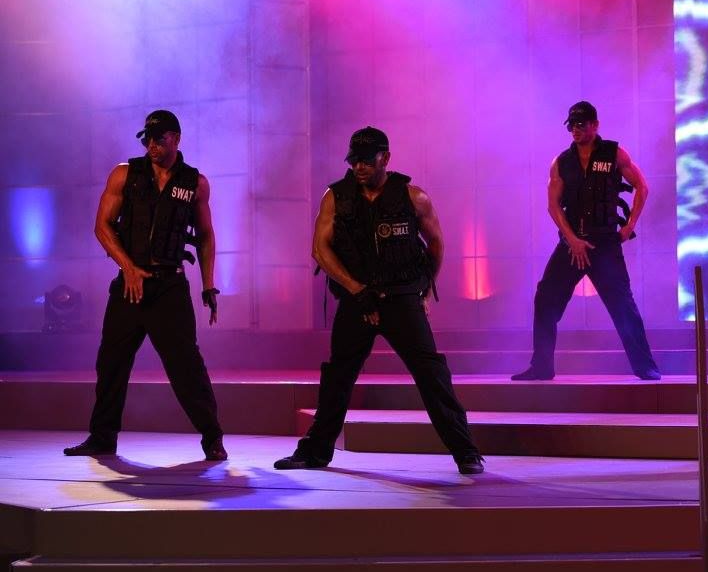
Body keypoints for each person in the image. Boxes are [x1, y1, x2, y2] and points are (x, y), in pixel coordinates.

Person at [274, 127, 483, 474]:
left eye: (366, 161)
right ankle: (314, 452)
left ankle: (466, 452)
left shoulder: (413, 197)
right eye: (353, 161)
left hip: (401, 300)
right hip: (357, 301)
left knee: (432, 374)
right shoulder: (335, 196)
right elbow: (319, 250)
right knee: (338, 377)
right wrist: (356, 290)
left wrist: (425, 288)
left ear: (385, 158)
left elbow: (436, 244)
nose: (358, 167)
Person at [64, 110, 226, 461]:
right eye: (148, 139)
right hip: (129, 287)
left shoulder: (195, 183)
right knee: (111, 362)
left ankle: (212, 437)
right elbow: (102, 226)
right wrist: (129, 268)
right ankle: (102, 437)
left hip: (170, 287)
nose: (152, 145)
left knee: (186, 367)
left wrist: (208, 285)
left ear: (176, 138)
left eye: (159, 139)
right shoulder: (125, 174)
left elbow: (205, 236)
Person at [512, 101, 661, 381]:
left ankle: (645, 366)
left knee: (623, 304)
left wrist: (630, 225)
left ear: (595, 125)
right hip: (572, 245)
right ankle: (542, 366)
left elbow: (642, 186)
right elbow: (553, 206)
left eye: (580, 124)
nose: (575, 129)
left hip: (604, 244)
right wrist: (572, 240)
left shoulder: (614, 153)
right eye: (571, 125)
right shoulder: (561, 162)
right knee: (545, 298)